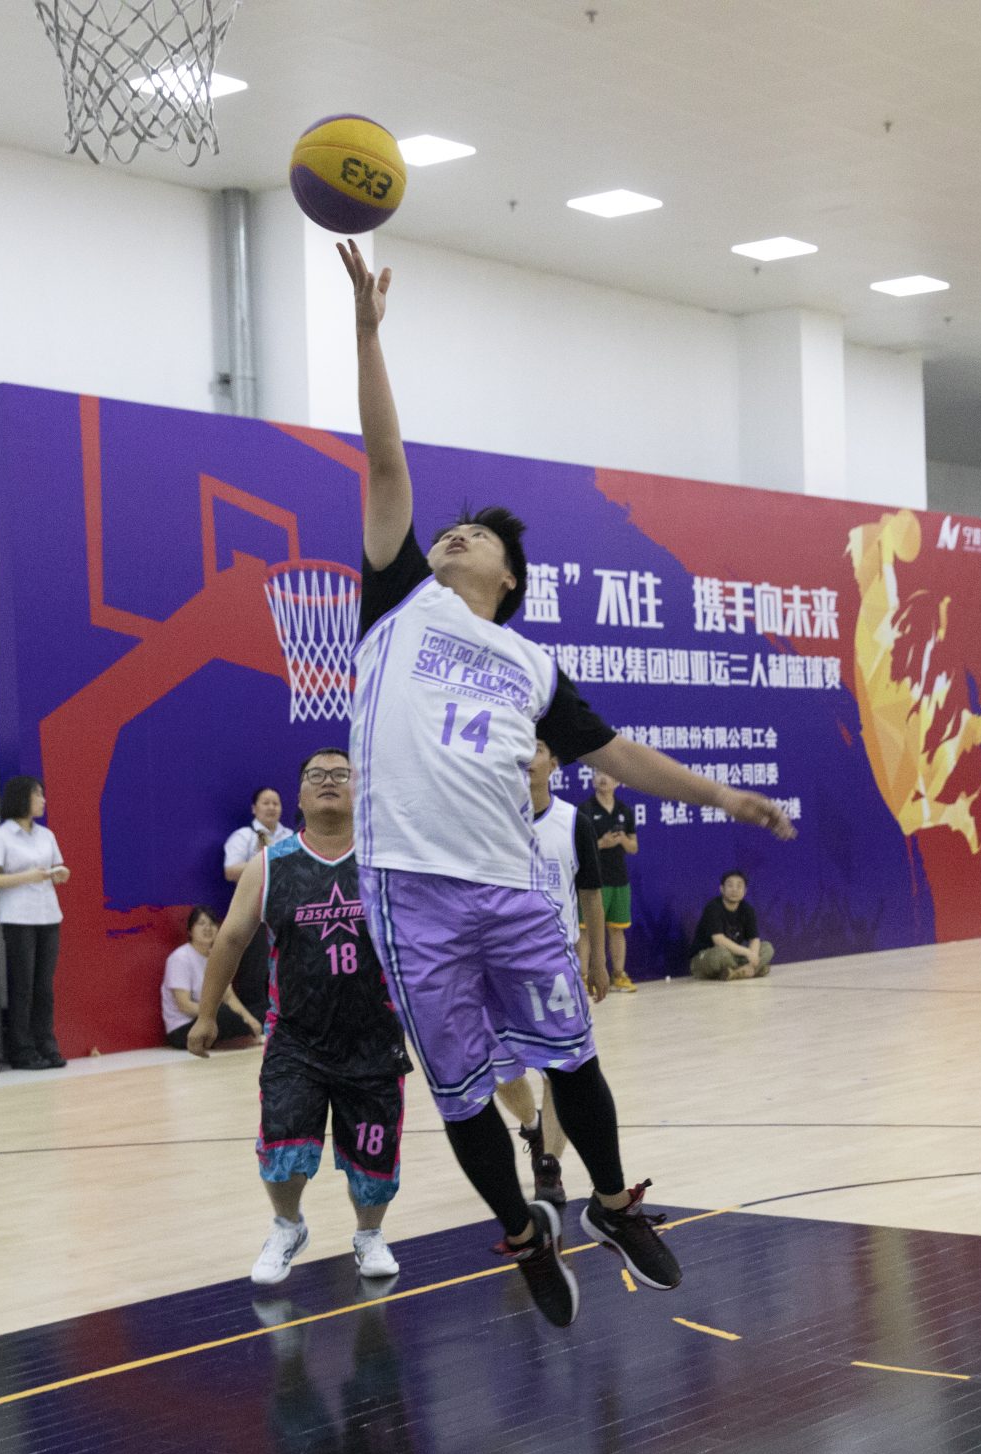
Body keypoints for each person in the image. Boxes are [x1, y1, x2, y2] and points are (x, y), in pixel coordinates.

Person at [340, 236, 794, 1326]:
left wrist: (721, 796)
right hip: (411, 887)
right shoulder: (400, 603)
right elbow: (387, 463)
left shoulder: (531, 664)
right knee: (459, 1088)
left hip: (507, 886)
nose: (454, 534)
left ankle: (612, 1200)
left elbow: (616, 754)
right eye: (451, 530)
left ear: (508, 579)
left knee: (570, 1056)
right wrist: (366, 334)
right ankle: (519, 1229)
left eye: (476, 537)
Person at [188, 748, 407, 1285]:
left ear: (360, 790)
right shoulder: (270, 864)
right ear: (300, 796)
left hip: (373, 1037)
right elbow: (231, 939)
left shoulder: (388, 860)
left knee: (374, 1154)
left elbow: (429, 937)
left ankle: (370, 1234)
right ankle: (288, 1225)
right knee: (282, 1143)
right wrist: (207, 1014)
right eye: (316, 775)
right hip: (296, 1038)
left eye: (341, 774)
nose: (329, 781)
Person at [494, 738, 607, 1209]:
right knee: (502, 1075)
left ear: (554, 762)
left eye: (537, 748)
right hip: (498, 967)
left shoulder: (574, 821)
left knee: (559, 1072)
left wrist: (597, 960)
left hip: (555, 967)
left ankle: (549, 1167)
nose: (526, 756)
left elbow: (591, 896)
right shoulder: (489, 820)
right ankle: (531, 1126)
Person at [0, 773, 68, 1069]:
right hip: (18, 917)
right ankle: (21, 1049)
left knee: (44, 986)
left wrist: (60, 873)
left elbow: (55, 865)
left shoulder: (46, 835)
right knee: (23, 986)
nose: (43, 800)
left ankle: (46, 1044)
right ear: (23, 798)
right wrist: (27, 876)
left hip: (48, 914)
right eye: (38, 795)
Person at [166, 906, 262, 1051]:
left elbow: (229, 997)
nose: (208, 928)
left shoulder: (216, 958)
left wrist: (250, 1019)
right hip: (183, 1028)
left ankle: (234, 1039)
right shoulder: (180, 958)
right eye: (201, 923)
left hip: (208, 1020)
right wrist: (211, 1014)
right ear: (190, 931)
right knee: (223, 1014)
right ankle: (235, 1039)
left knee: (256, 1012)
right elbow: (184, 1005)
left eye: (212, 923)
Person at [580, 769, 639, 993]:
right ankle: (583, 977)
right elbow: (578, 848)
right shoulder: (585, 810)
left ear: (617, 782)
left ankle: (619, 975)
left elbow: (634, 847)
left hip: (619, 879)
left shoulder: (625, 811)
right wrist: (602, 843)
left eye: (608, 775)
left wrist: (622, 839)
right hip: (593, 880)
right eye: (598, 774)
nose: (603, 778)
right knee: (586, 930)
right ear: (592, 780)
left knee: (617, 929)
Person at [691, 870, 776, 979]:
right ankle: (750, 971)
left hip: (733, 956)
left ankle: (736, 972)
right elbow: (718, 940)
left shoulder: (748, 910)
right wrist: (747, 952)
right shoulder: (713, 908)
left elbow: (754, 939)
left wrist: (753, 956)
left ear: (745, 891)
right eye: (730, 885)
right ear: (722, 889)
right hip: (706, 956)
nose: (734, 889)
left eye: (739, 886)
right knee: (721, 954)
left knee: (767, 947)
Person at [223, 786, 285, 882]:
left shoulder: (292, 836)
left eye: (276, 804)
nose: (271, 807)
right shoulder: (243, 836)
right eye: (266, 803)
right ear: (254, 808)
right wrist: (267, 863)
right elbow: (230, 872)